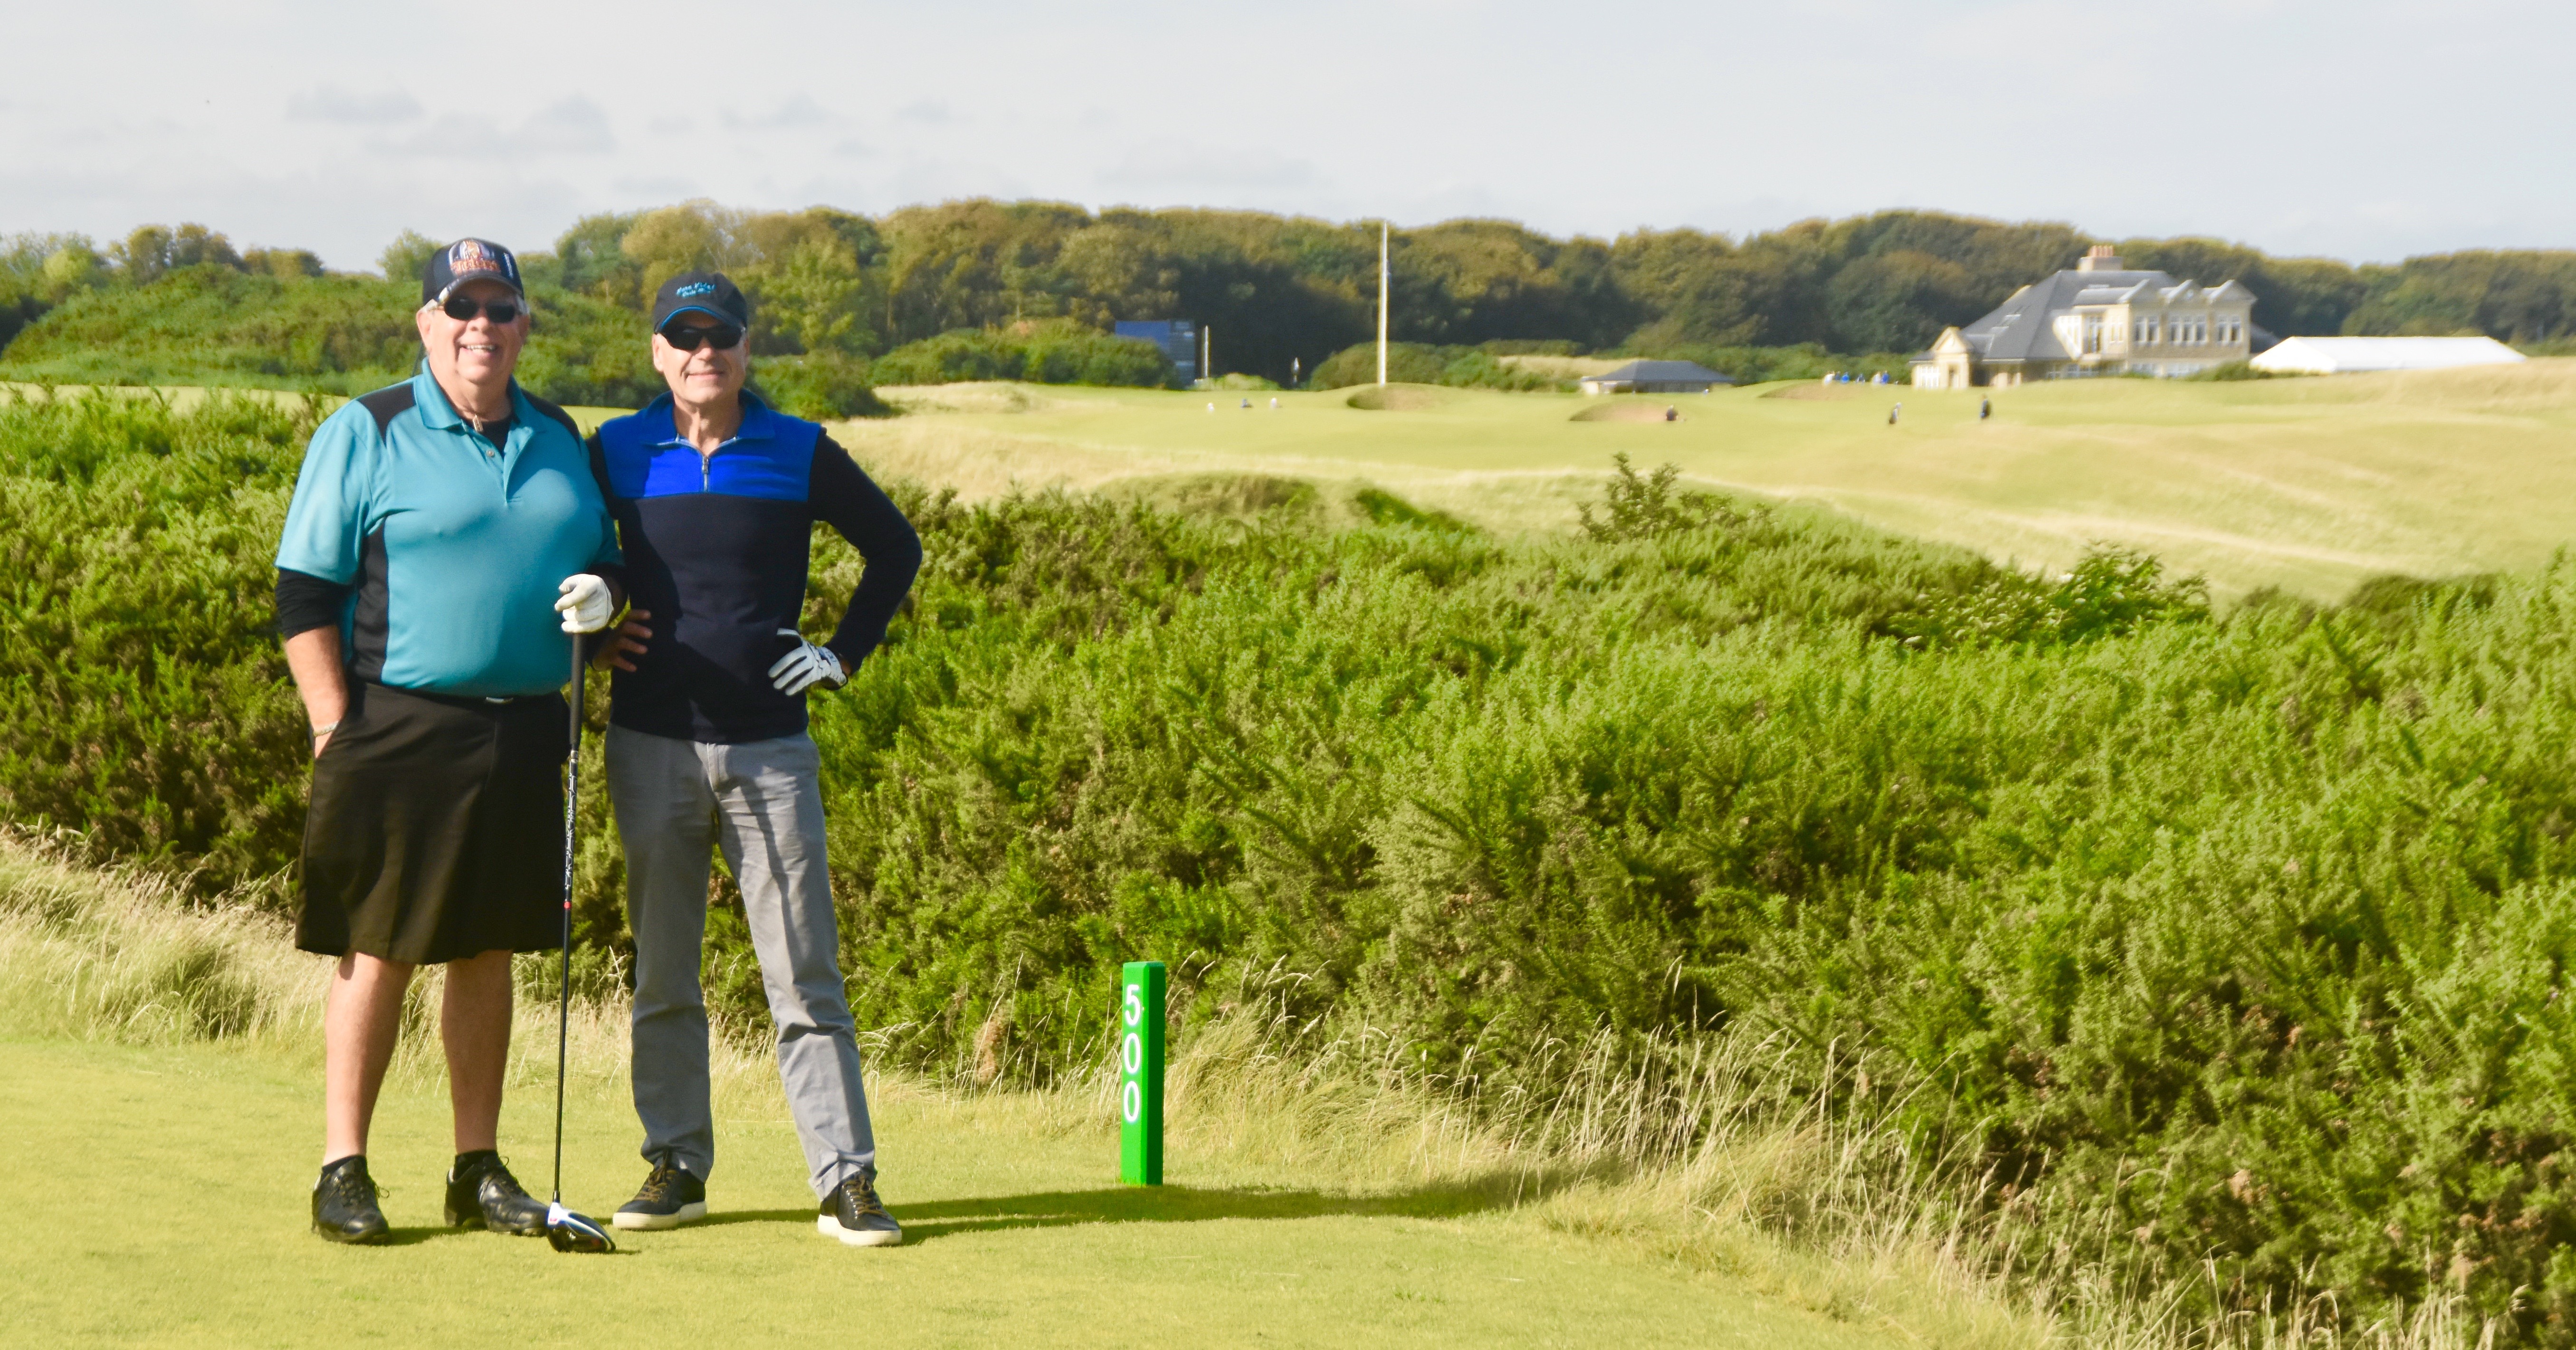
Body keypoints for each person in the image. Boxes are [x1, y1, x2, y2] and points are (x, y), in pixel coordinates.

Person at [277, 238, 624, 1244]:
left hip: (524, 730)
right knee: (376, 944)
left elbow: (605, 556)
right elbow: (306, 590)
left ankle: (477, 1167)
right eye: (460, 307)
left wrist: (608, 596)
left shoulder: (560, 432)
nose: (482, 326)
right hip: (395, 723)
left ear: (524, 325)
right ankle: (344, 1166)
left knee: (487, 947)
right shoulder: (370, 427)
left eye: (499, 308)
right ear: (428, 323)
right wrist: (332, 722)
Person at [585, 273, 922, 1247]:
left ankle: (844, 1178)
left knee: (803, 971)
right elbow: (582, 557)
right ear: (656, 352)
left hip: (769, 748)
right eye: (683, 338)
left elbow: (893, 549)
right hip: (649, 741)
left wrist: (840, 654)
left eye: (720, 336)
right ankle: (676, 1163)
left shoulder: (799, 448)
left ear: (744, 348)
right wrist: (598, 629)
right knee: (664, 969)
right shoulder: (614, 449)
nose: (704, 353)